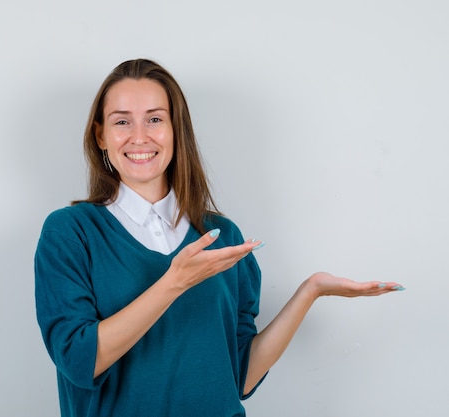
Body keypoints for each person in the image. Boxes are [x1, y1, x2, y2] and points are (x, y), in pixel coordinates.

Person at [34, 58, 404, 417]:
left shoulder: (223, 235)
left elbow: (239, 376)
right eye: (121, 121)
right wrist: (173, 283)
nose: (139, 136)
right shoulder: (70, 232)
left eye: (155, 119)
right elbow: (78, 359)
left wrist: (311, 291)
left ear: (176, 129)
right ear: (101, 135)